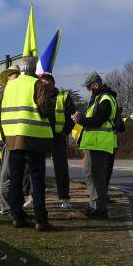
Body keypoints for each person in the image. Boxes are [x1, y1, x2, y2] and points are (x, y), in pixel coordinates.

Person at [0, 56, 54, 231]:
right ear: (34, 69)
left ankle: (17, 217)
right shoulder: (37, 84)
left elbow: (1, 111)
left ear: (21, 69)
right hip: (33, 138)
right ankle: (40, 220)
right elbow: (44, 109)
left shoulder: (9, 86)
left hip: (13, 139)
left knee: (15, 179)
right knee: (36, 179)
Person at [72, 72, 118, 219]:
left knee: (96, 177)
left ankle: (100, 210)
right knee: (91, 175)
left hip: (99, 144)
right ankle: (94, 206)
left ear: (96, 85)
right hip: (94, 143)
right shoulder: (99, 98)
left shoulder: (105, 99)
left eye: (89, 88)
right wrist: (82, 119)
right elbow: (94, 119)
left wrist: (80, 120)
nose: (88, 91)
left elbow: (97, 121)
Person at [40, 73, 75, 209]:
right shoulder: (38, 96)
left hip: (58, 137)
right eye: (42, 85)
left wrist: (65, 131)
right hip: (41, 136)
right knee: (37, 168)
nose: (45, 87)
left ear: (53, 83)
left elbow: (72, 115)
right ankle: (34, 196)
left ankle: (64, 198)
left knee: (61, 169)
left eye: (47, 84)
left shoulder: (63, 97)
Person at [0, 64, 21, 216]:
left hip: (14, 138)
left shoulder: (13, 93)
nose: (16, 77)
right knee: (7, 176)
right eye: (13, 75)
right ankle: (7, 209)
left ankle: (14, 208)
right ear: (7, 78)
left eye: (17, 75)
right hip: (6, 140)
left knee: (14, 175)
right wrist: (4, 139)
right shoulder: (3, 93)